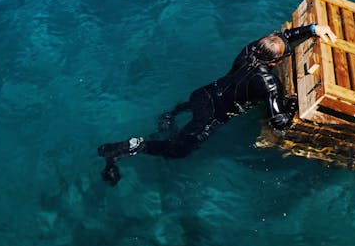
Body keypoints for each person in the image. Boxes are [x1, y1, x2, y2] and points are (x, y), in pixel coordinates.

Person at [97, 23, 337, 186]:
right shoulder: (269, 83)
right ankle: (130, 147)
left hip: (202, 95)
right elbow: (280, 123)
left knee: (181, 121)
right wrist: (294, 105)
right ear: (275, 62)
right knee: (178, 152)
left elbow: (282, 37)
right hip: (212, 116)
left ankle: (169, 117)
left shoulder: (250, 49)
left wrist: (313, 29)